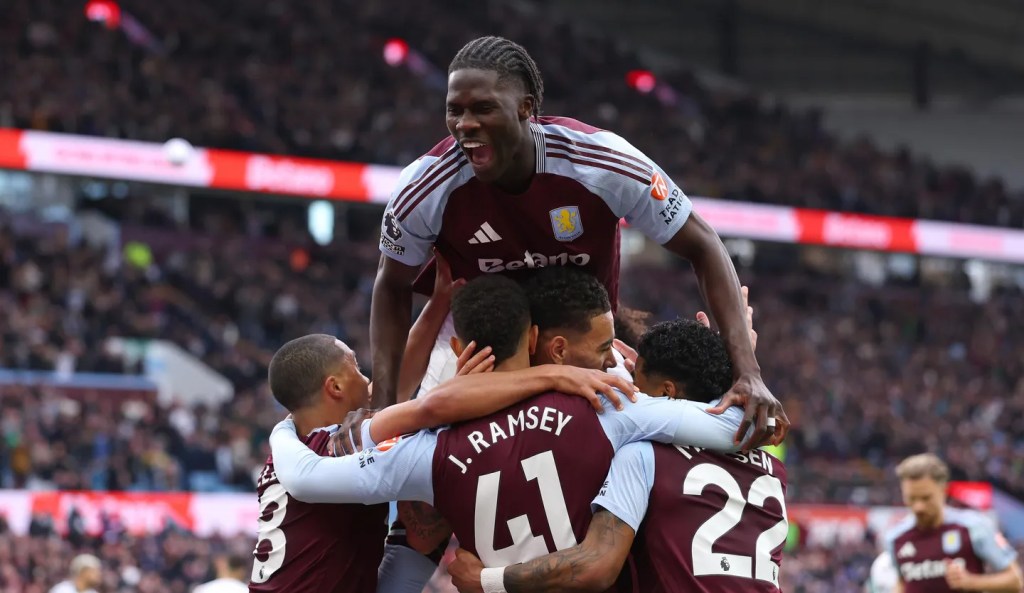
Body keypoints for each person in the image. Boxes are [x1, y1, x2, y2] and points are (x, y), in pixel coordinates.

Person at [370, 35, 786, 446]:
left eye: (482, 108)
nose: (465, 125)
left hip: (583, 345)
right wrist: (382, 410)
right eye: (454, 111)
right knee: (423, 468)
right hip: (482, 353)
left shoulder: (602, 162)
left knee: (648, 452)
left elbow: (704, 243)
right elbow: (392, 285)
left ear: (526, 108)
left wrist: (746, 369)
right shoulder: (425, 187)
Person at [268, 276, 752, 581]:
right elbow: (736, 425)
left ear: (459, 348)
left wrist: (282, 432)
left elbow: (312, 480)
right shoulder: (611, 410)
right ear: (539, 339)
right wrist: (732, 359)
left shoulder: (425, 451)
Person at [249, 326, 635, 593]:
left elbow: (401, 393)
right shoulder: (334, 446)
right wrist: (551, 377)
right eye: (357, 369)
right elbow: (427, 408)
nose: (370, 379)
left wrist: (435, 304)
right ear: (333, 387)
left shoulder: (295, 445)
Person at [448, 316, 785, 593]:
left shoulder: (644, 454)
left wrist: (485, 582)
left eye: (636, 381)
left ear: (668, 392)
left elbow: (597, 565)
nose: (630, 391)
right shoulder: (773, 468)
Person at [883, 453, 1022, 593]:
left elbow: (1015, 581)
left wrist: (972, 582)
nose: (919, 507)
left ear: (944, 490)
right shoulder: (896, 538)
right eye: (911, 498)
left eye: (926, 498)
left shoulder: (973, 527)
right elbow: (902, 582)